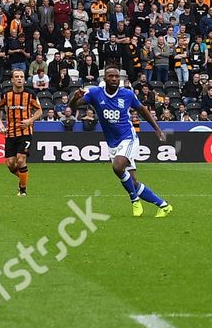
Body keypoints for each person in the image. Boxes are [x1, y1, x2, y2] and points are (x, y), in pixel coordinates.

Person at [70, 66, 173, 217]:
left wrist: (156, 129)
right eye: (110, 76)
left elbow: (142, 110)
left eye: (116, 77)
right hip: (112, 142)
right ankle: (163, 205)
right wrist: (75, 97)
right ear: (104, 79)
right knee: (133, 182)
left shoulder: (127, 94)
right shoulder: (95, 93)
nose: (114, 79)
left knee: (118, 167)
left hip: (128, 137)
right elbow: (73, 106)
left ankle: (134, 200)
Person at [0, 69, 41, 196]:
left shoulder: (31, 94)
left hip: (25, 132)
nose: (19, 79)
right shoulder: (6, 95)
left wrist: (30, 120)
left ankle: (23, 190)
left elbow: (39, 111)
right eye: (16, 76)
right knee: (11, 164)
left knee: (21, 160)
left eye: (21, 76)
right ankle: (23, 176)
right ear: (12, 80)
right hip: (10, 132)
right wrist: (0, 123)